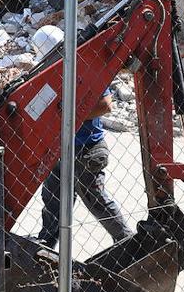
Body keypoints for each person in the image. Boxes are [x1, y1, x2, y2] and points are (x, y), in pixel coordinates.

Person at [36, 86, 133, 247]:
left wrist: (67, 114)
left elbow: (105, 105)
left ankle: (128, 243)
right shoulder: (54, 72)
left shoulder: (88, 71)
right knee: (53, 200)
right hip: (58, 149)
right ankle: (45, 246)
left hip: (87, 148)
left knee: (96, 200)